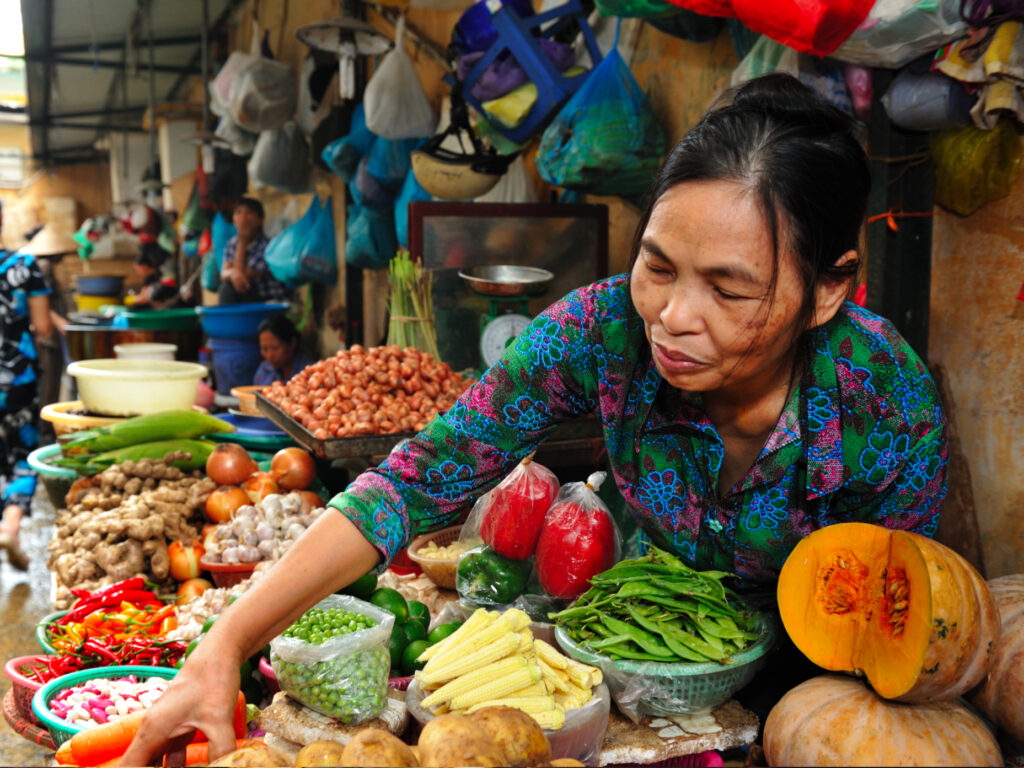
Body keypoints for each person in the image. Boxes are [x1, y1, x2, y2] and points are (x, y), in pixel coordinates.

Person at [123, 74, 948, 764]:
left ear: (830, 289)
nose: (673, 316)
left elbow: (905, 614)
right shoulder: (600, 331)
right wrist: (223, 646)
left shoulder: (884, 400)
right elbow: (418, 477)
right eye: (656, 266)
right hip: (640, 679)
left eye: (730, 290)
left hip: (821, 697)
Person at [0, 247, 56, 571]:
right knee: (22, 452)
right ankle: (10, 526)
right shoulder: (23, 265)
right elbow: (43, 327)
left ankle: (11, 537)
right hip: (16, 378)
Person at [217, 197, 290, 305]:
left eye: (248, 212)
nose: (243, 217)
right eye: (238, 212)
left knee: (230, 287)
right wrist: (232, 273)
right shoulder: (231, 244)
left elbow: (242, 279)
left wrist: (242, 242)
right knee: (226, 287)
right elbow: (224, 273)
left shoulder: (267, 246)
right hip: (247, 297)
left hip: (267, 300)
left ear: (260, 220)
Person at [253, 315, 314, 386]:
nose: (269, 355)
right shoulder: (264, 370)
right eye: (264, 349)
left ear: (292, 343)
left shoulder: (310, 372)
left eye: (275, 348)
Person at [130, 243, 179, 309]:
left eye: (137, 269)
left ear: (144, 266)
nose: (138, 272)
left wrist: (134, 299)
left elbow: (144, 298)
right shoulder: (154, 276)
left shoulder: (155, 277)